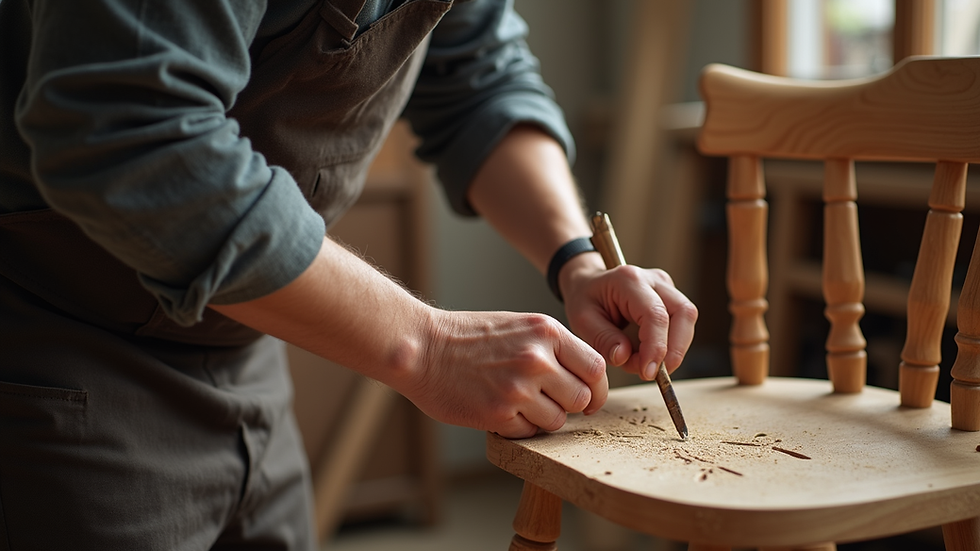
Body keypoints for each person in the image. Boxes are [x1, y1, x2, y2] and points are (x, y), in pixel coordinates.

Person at [0, 0, 697, 549]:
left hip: (244, 342)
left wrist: (574, 258)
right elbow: (128, 133)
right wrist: (428, 347)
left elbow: (480, 73)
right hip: (55, 335)